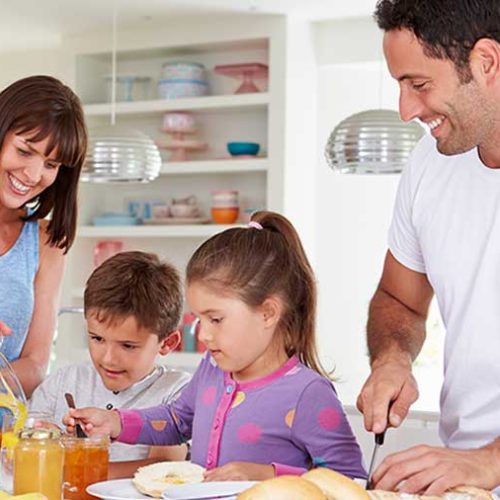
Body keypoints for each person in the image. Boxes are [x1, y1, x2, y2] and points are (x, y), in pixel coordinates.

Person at [65, 211, 367, 481]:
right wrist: (115, 422)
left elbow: (351, 481)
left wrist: (267, 475)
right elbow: (177, 420)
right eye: (199, 319)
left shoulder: (308, 393)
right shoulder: (213, 367)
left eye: (216, 319)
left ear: (268, 313)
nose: (204, 334)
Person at [356, 0, 500, 495]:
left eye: (419, 85)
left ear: (485, 62)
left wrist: (490, 461)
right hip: (461, 479)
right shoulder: (430, 163)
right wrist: (392, 359)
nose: (406, 110)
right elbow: (400, 299)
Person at [30, 251, 190, 478]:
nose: (108, 358)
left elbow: (163, 469)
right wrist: (51, 440)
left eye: (127, 345)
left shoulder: (175, 392)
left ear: (167, 343)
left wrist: (78, 468)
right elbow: (28, 443)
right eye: (97, 339)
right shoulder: (63, 382)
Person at [0, 75, 87, 397]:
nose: (35, 175)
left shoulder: (46, 242)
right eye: (24, 151)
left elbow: (36, 364)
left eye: (52, 164)